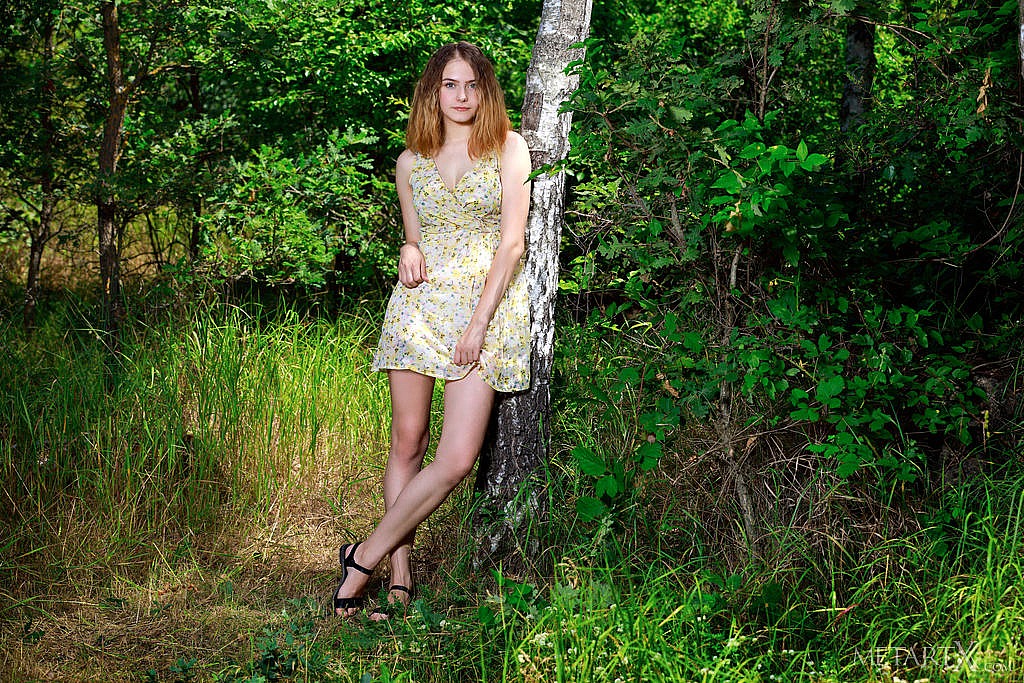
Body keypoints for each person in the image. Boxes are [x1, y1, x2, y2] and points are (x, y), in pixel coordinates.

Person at [332, 41, 531, 619]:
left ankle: (362, 557)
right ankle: (400, 575)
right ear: (433, 91)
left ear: (486, 90)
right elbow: (414, 235)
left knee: (456, 457)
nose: (461, 96)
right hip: (418, 311)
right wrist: (407, 248)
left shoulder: (508, 148)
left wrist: (478, 325)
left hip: (483, 314)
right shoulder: (409, 161)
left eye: (472, 84)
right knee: (408, 441)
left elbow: (512, 244)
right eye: (450, 84)